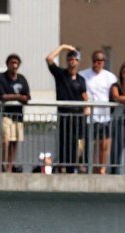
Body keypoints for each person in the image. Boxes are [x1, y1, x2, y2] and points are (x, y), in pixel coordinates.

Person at [45, 44, 88, 172]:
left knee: (78, 142)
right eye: (69, 59)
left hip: (78, 116)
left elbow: (84, 95)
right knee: (64, 141)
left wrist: (87, 107)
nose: (71, 61)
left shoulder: (81, 79)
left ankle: (75, 165)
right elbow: (49, 59)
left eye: (74, 59)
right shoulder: (61, 74)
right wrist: (63, 47)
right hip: (64, 114)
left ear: (78, 61)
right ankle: (63, 165)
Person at [82, 50, 117, 173]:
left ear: (104, 62)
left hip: (105, 116)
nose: (98, 63)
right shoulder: (84, 75)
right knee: (89, 145)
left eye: (100, 61)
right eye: (95, 61)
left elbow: (115, 94)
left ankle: (101, 168)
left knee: (104, 145)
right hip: (89, 116)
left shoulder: (110, 77)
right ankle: (89, 167)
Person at [0, 53, 29, 173]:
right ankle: (1, 164)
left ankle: (9, 167)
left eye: (16, 63)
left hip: (18, 116)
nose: (14, 65)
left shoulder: (22, 79)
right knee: (5, 140)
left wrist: (18, 97)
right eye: (11, 63)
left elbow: (27, 97)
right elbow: (2, 96)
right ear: (7, 64)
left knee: (14, 142)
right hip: (5, 115)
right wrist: (18, 96)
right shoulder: (1, 78)